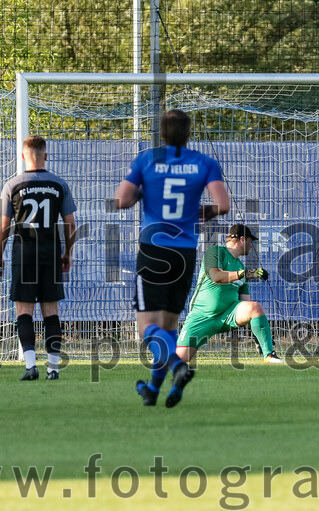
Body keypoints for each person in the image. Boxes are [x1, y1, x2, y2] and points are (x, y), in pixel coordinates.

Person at [114, 109, 230, 407]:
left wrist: (143, 192)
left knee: (147, 330)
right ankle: (154, 390)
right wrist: (210, 211)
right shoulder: (204, 163)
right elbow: (224, 204)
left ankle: (179, 368)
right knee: (167, 328)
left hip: (154, 249)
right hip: (185, 252)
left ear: (162, 134)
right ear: (188, 134)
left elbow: (122, 200)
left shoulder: (147, 159)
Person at [0, 136, 77, 380]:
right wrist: (67, 253)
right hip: (50, 253)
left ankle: (30, 366)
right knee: (51, 311)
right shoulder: (59, 184)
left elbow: (4, 227)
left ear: (23, 157)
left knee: (24, 311)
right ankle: (53, 369)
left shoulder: (13, 185)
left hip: (24, 253)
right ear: (46, 156)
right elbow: (71, 224)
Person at [177, 224, 281, 364]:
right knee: (180, 358)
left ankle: (269, 355)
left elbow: (246, 304)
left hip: (227, 316)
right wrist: (244, 274)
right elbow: (216, 276)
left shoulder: (242, 268)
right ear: (243, 239)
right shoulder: (215, 252)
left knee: (254, 308)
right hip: (202, 317)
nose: (251, 246)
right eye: (251, 241)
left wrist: (259, 335)